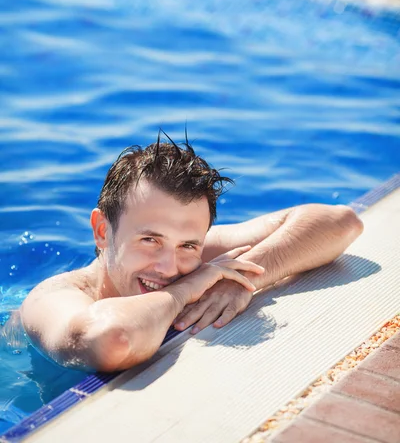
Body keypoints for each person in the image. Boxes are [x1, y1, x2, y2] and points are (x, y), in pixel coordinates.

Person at [21, 135, 363, 373]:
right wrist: (184, 290)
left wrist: (241, 279)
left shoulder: (194, 262)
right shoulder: (52, 298)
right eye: (150, 240)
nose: (170, 266)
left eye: (188, 244)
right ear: (102, 231)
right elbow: (112, 340)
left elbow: (340, 222)